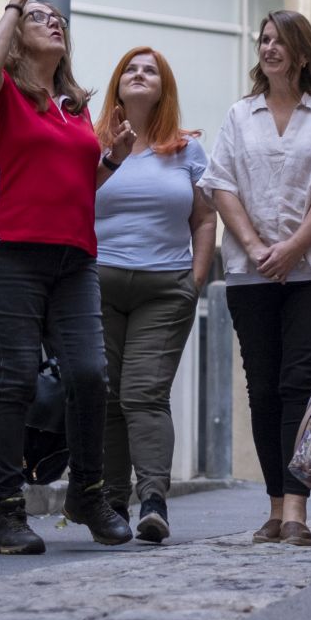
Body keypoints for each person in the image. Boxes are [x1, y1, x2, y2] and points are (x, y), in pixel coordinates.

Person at [0, 0, 134, 555]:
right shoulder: (1, 91)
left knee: (89, 374)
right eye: (39, 17)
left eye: (56, 17)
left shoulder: (77, 109)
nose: (51, 21)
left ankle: (87, 493)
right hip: (8, 253)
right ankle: (6, 515)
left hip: (73, 260)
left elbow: (75, 190)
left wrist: (110, 159)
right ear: (17, 36)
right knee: (14, 377)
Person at [199, 11, 311, 548]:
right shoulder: (239, 114)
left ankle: (297, 509)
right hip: (251, 273)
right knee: (263, 387)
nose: (268, 48)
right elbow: (221, 184)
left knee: (299, 382)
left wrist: (293, 248)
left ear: (300, 52)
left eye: (279, 41)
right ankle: (275, 506)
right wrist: (252, 246)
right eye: (264, 40)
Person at [92, 47, 216, 544]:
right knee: (105, 398)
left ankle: (154, 501)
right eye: (130, 68)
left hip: (165, 288)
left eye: (151, 70)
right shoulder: (93, 143)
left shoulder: (186, 150)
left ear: (164, 88)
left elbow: (205, 218)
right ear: (117, 84)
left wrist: (196, 278)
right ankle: (111, 504)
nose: (139, 75)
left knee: (143, 393)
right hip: (97, 282)